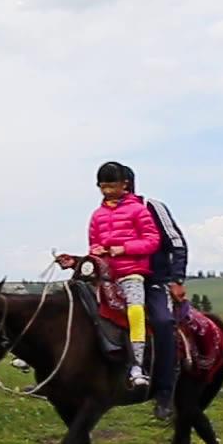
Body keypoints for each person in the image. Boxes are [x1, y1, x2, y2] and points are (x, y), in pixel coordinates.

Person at [64, 161, 161, 388]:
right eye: (103, 187)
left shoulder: (139, 210)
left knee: (135, 312)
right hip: (104, 274)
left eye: (111, 186)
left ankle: (138, 365)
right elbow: (93, 245)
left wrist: (124, 248)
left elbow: (152, 241)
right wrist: (95, 252)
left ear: (124, 185)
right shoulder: (97, 215)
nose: (107, 191)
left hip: (131, 273)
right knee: (74, 303)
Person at [119, 163, 189, 421]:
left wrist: (176, 278)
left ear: (127, 184)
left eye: (112, 183)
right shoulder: (106, 213)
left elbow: (177, 243)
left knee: (162, 321)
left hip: (153, 280)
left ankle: (164, 391)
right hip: (118, 278)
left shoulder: (152, 207)